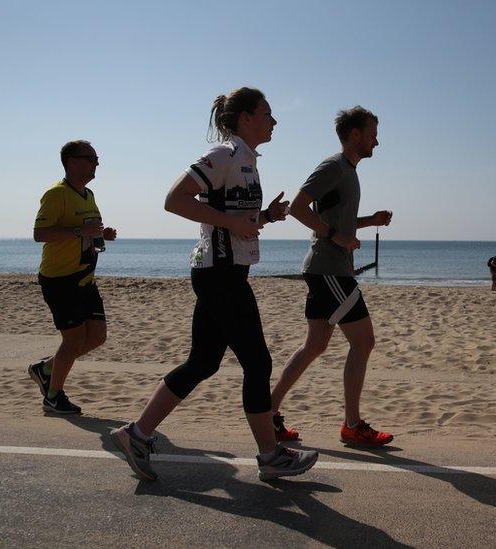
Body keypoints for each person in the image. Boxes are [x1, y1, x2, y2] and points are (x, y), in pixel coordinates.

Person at [108, 88, 318, 482]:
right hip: (218, 275)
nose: (274, 121)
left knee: (203, 362)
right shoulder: (224, 155)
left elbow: (236, 219)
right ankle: (270, 457)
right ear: (244, 118)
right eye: (267, 113)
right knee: (257, 362)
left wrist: (266, 217)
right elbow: (175, 199)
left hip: (223, 273)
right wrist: (233, 223)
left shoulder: (247, 161)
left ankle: (136, 435)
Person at [267, 106, 394, 447]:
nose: (376, 142)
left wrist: (370, 221)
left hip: (325, 269)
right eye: (372, 134)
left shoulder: (349, 171)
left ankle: (268, 413)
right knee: (363, 341)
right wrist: (336, 237)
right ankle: (352, 425)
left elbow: (336, 221)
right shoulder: (334, 167)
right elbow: (297, 207)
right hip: (330, 269)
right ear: (355, 135)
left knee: (315, 345)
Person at [28, 140, 117, 414]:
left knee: (98, 337)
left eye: (96, 159)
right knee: (73, 340)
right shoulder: (56, 195)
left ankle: (45, 369)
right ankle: (53, 396)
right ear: (71, 161)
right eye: (91, 158)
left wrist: (103, 235)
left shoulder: (88, 194)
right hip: (60, 279)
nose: (96, 164)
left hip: (84, 279)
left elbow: (90, 231)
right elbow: (39, 234)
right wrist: (81, 232)